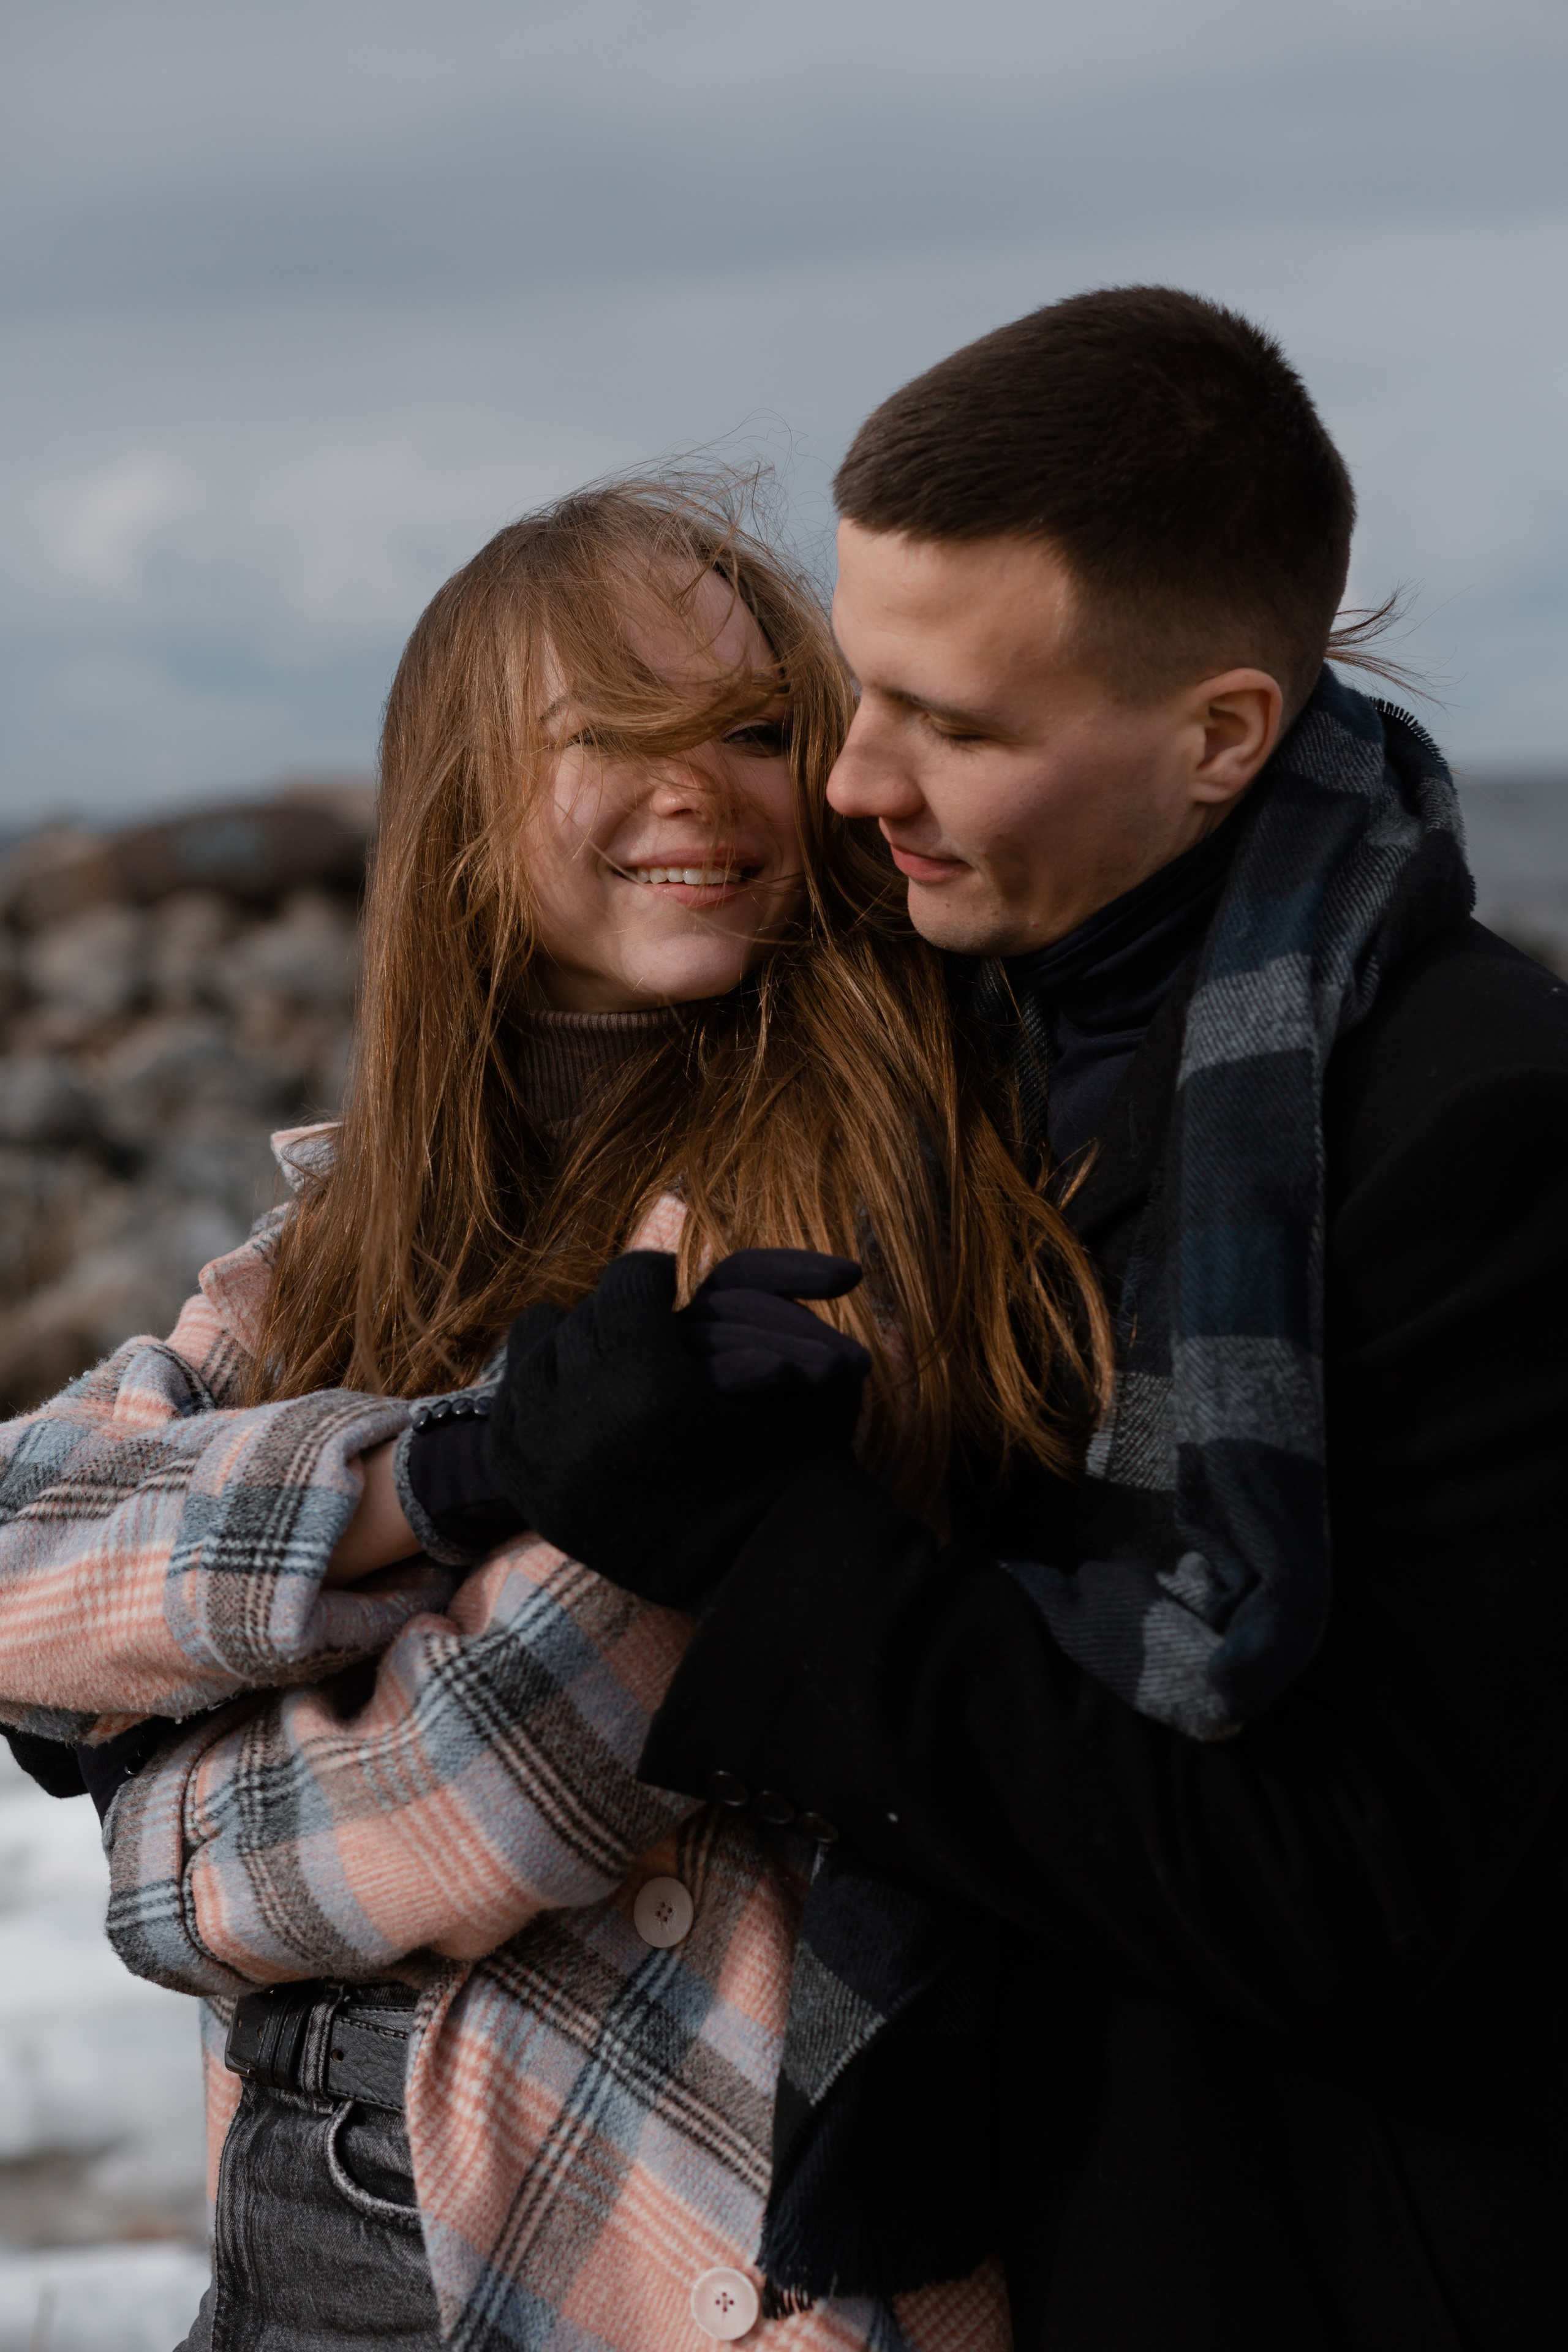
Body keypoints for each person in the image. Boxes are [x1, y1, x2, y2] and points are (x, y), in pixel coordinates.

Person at [461, 294, 1568, 2350]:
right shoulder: (927, 1049)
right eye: (852, 693)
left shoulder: (1479, 1130)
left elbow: (1337, 1892)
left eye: (959, 728)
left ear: (1222, 732)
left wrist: (759, 1542)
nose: (861, 784)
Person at [0, 477, 1105, 2350]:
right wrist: (456, 1469)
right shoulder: (354, 1234)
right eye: (611, 730)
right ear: (457, 817)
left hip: (662, 2243)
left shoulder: (852, 1227)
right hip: (297, 2210)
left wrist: (156, 1817)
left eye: (754, 728)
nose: (704, 788)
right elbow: (23, 1547)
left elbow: (498, 1784)